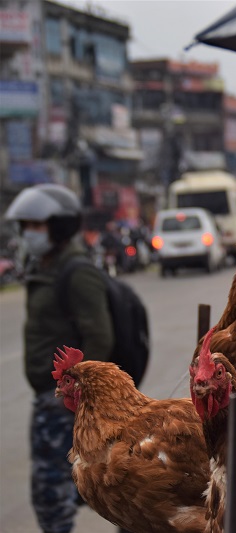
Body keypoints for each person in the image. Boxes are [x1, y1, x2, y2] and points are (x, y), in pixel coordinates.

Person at [4, 184, 114, 533]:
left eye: (38, 226)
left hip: (65, 405)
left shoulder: (76, 272)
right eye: (27, 227)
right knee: (69, 490)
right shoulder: (46, 269)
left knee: (52, 495)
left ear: (60, 227)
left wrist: (77, 394)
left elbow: (100, 337)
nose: (30, 234)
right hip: (49, 401)